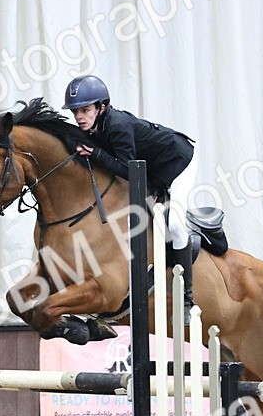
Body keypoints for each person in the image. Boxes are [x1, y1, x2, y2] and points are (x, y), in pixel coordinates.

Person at [62, 74, 197, 322]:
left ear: (101, 107)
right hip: (153, 169)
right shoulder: (95, 127)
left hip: (179, 162)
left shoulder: (116, 125)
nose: (79, 116)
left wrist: (96, 153)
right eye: (75, 112)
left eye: (85, 110)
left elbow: (128, 171)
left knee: (175, 224)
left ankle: (188, 299)